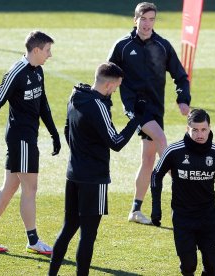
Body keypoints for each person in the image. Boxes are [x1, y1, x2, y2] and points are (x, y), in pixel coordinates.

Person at [48, 62, 145, 275]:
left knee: (67, 229)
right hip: (94, 179)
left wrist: (81, 151)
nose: (117, 90)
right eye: (117, 87)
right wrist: (136, 119)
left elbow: (67, 129)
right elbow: (116, 142)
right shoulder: (98, 107)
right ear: (109, 85)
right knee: (88, 236)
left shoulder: (76, 96)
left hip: (73, 174)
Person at [108, 2, 191, 224]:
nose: (147, 24)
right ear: (135, 20)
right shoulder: (123, 46)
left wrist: (183, 99)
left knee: (147, 159)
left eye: (151, 19)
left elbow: (180, 76)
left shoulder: (162, 46)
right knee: (162, 140)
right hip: (135, 108)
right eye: (143, 19)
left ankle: (135, 210)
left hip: (156, 108)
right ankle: (186, 199)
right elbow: (107, 74)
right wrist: (102, 100)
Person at [150, 108, 215, 275]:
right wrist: (156, 208)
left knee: (211, 268)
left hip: (208, 217)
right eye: (195, 130)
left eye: (204, 129)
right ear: (187, 129)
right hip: (182, 217)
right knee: (188, 266)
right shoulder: (174, 151)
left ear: (210, 128)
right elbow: (156, 175)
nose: (200, 134)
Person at [0, 31, 60, 254]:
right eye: (48, 50)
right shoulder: (16, 72)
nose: (50, 55)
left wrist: (54, 133)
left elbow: (43, 105)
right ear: (36, 50)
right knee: (30, 188)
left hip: (29, 138)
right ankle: (33, 240)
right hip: (20, 139)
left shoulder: (38, 71)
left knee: (9, 187)